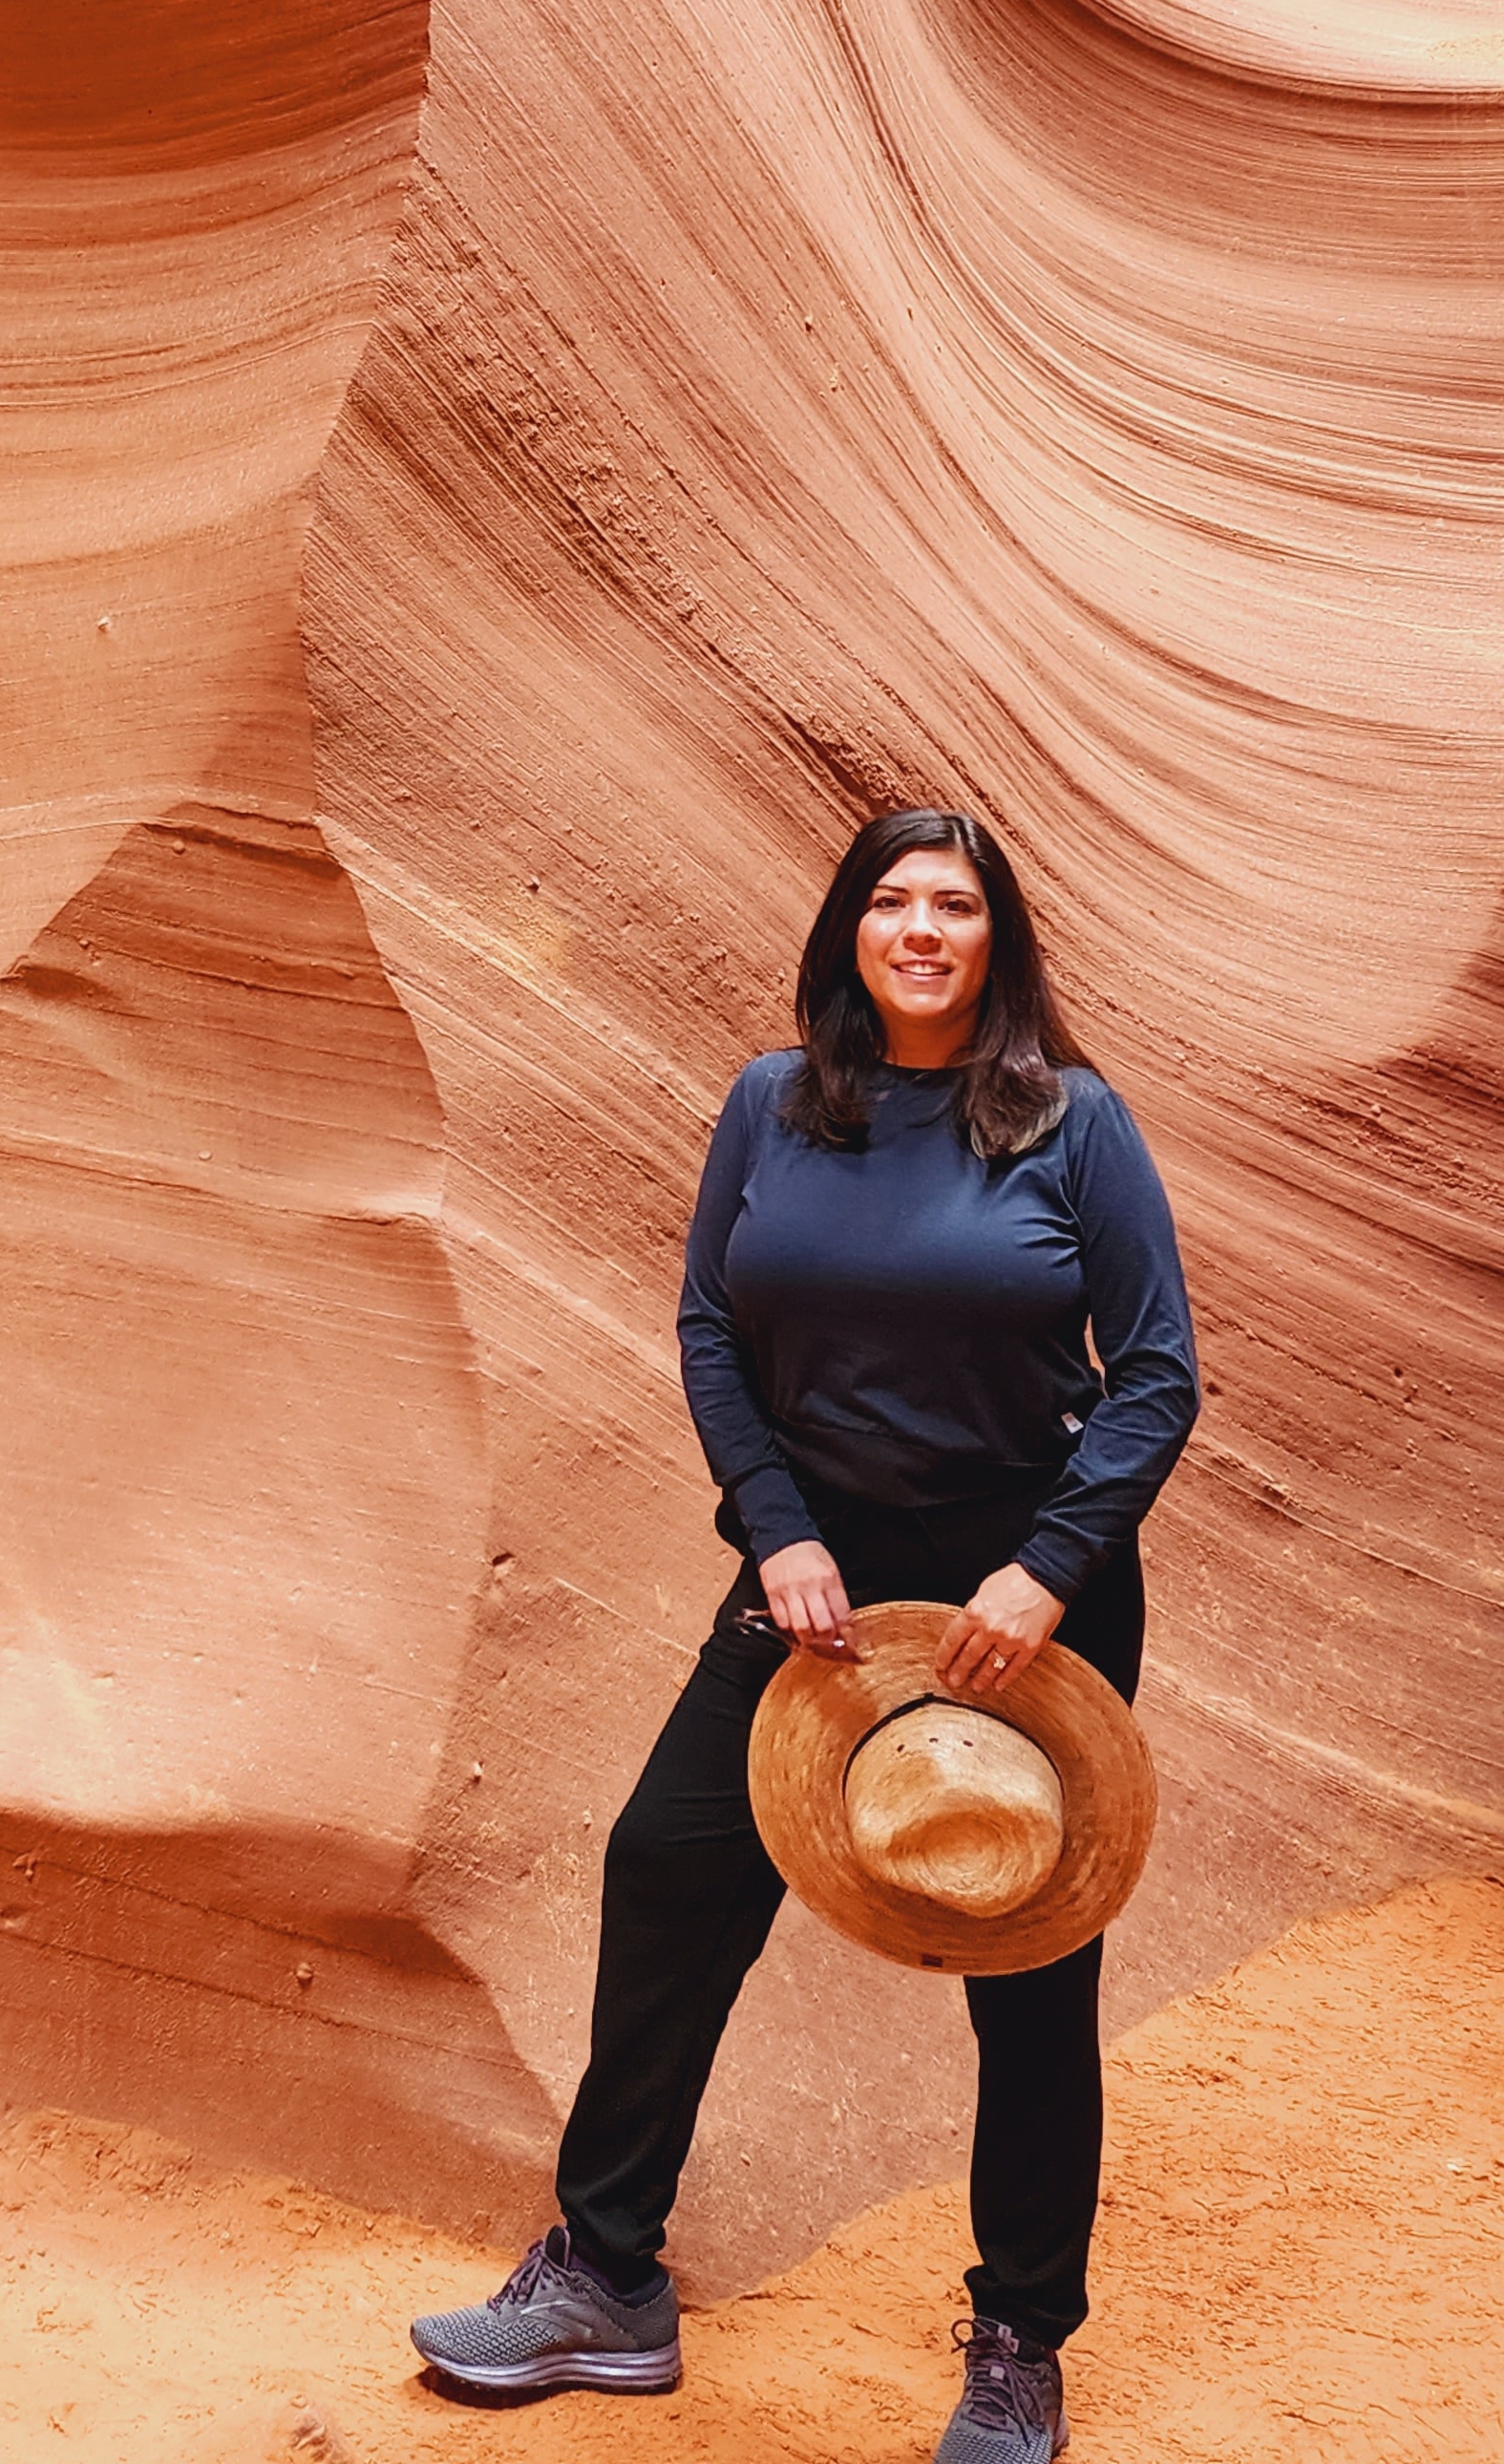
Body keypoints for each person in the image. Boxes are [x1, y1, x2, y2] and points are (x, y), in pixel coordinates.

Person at [411, 809, 1199, 2464]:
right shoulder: (777, 1104)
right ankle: (607, 2281)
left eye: (956, 908)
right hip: (816, 1585)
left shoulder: (1073, 1123)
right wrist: (776, 1525)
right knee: (672, 1865)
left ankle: (1019, 2345)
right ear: (853, 929)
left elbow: (1157, 1374)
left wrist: (1049, 1567)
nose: (922, 930)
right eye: (894, 903)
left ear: (999, 942)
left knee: (1029, 1961)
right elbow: (711, 1326)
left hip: (1017, 1598)